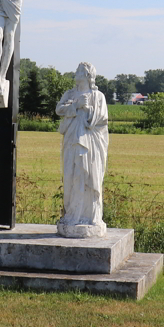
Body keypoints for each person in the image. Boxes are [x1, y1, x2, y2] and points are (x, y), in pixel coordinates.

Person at [55, 62, 109, 237]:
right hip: (72, 140)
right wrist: (75, 106)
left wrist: (88, 109)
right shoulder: (70, 94)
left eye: (80, 71)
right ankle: (72, 215)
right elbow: (59, 109)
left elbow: (102, 119)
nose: (76, 73)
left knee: (88, 175)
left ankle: (89, 216)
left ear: (88, 76)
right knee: (71, 175)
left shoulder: (98, 96)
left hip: (90, 144)